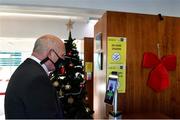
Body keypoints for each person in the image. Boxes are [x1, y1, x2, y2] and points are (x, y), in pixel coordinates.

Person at [4, 34, 65, 119]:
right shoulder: (38, 79)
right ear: (51, 53)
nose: (63, 59)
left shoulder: (27, 69)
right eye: (62, 55)